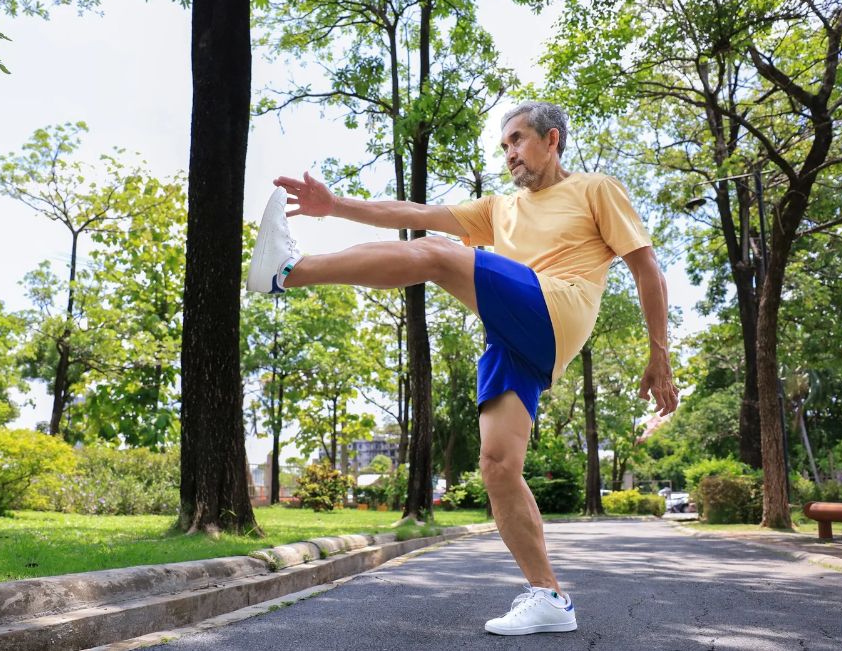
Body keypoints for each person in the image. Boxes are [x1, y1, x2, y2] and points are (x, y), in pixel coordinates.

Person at [246, 100, 678, 636]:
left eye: (518, 139)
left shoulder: (594, 189)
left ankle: (290, 272)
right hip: (516, 339)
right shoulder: (498, 209)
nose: (510, 154)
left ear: (553, 139)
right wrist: (335, 205)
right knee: (498, 468)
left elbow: (646, 267)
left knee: (435, 255)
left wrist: (658, 352)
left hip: (557, 307)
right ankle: (549, 597)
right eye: (504, 146)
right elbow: (411, 212)